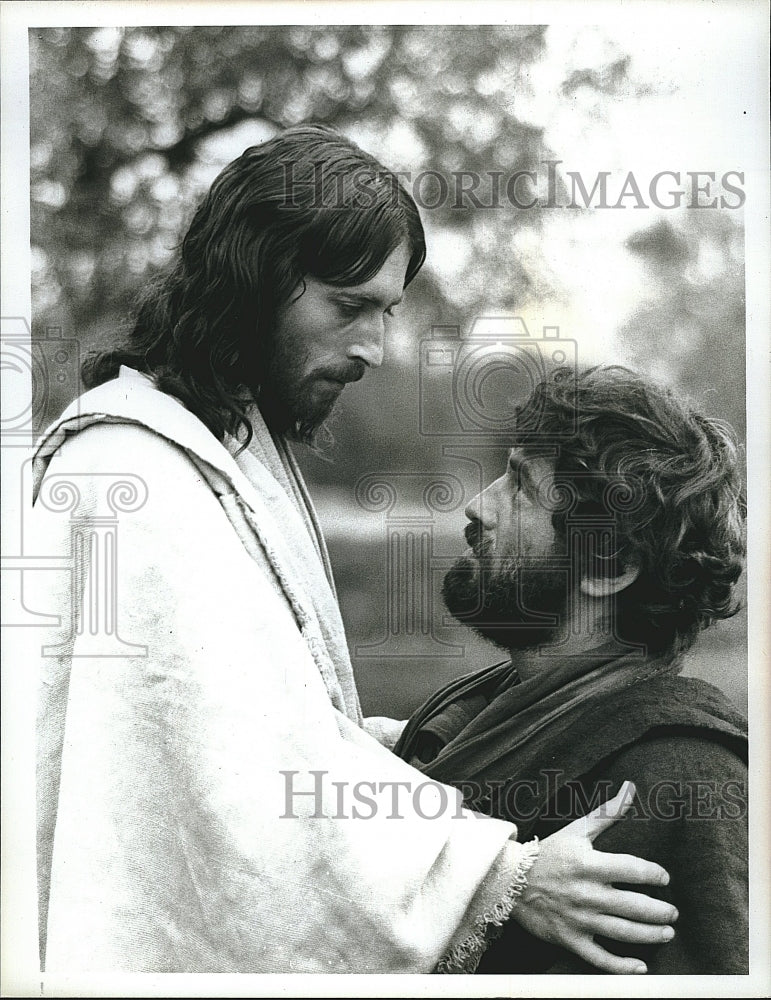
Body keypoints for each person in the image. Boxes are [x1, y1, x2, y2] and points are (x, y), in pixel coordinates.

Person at [30, 125, 676, 974]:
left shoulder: (222, 448)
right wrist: (500, 878)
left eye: (387, 311)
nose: (372, 348)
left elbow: (262, 723)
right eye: (347, 307)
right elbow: (228, 790)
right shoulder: (132, 479)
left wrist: (397, 745)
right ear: (251, 285)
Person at [396, 364, 749, 974]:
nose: (479, 507)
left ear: (607, 565)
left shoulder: (680, 777)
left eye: (521, 486)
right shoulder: (472, 714)